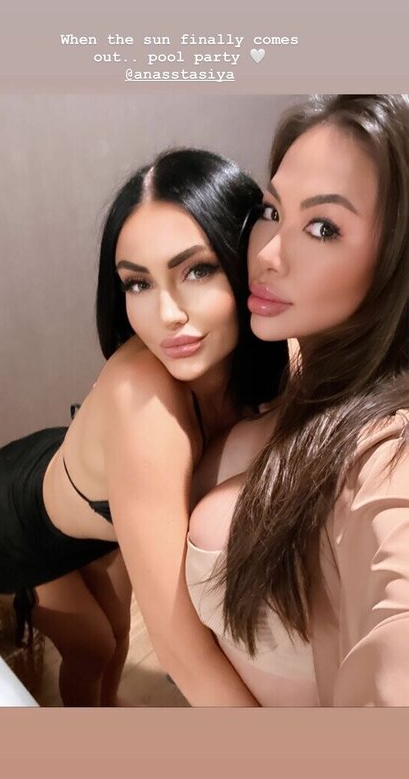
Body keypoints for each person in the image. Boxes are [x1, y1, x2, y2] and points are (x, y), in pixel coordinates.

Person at [0, 148, 288, 707]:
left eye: (197, 270)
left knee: (114, 636)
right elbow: (182, 650)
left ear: (244, 258)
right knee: (95, 648)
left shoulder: (270, 352)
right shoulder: (145, 404)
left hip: (83, 488)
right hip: (10, 518)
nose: (167, 315)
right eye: (138, 284)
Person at [186, 95, 409, 706]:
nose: (267, 254)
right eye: (271, 210)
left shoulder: (385, 444)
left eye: (323, 227)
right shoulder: (307, 362)